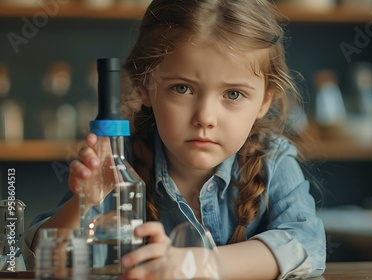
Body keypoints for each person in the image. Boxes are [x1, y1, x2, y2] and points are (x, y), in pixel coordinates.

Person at [21, 0, 326, 278]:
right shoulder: (118, 163)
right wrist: (84, 202)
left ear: (264, 101)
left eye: (233, 94)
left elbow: (306, 244)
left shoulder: (273, 161)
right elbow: (39, 261)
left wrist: (198, 265)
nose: (205, 117)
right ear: (144, 87)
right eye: (182, 88)